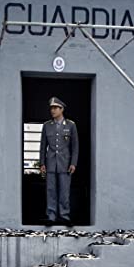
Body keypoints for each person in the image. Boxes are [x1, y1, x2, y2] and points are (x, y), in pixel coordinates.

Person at [39, 96, 79, 227]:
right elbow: (43, 145)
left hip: (65, 164)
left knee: (64, 191)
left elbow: (75, 146)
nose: (53, 110)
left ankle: (64, 216)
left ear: (62, 109)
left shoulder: (71, 125)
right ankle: (51, 216)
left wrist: (73, 163)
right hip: (50, 163)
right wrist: (42, 163)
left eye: (55, 108)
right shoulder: (47, 126)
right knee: (50, 190)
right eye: (51, 108)